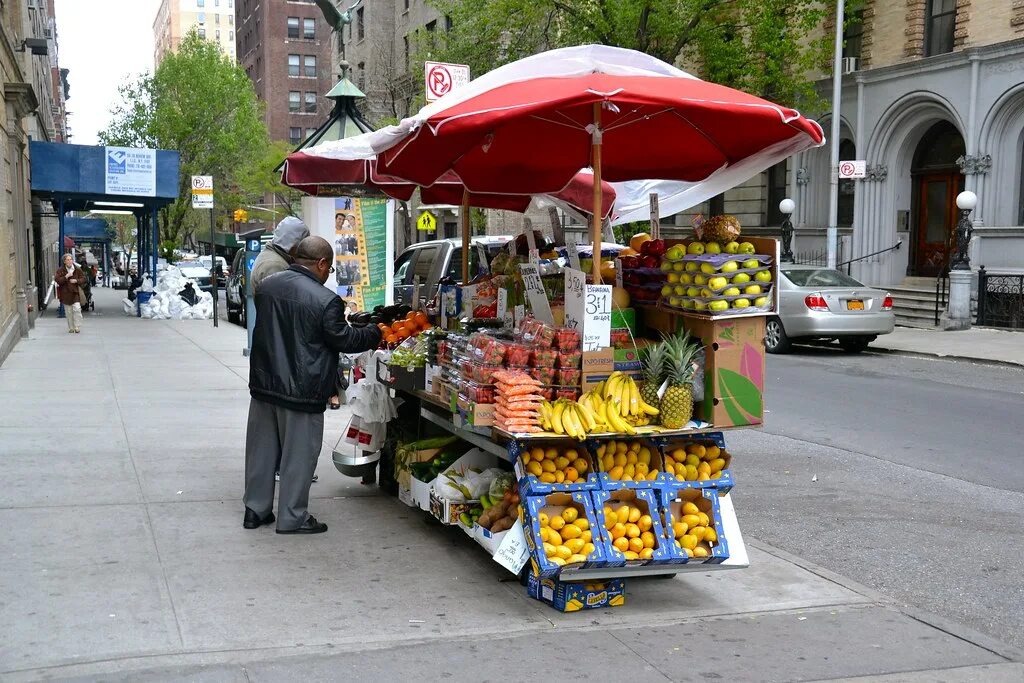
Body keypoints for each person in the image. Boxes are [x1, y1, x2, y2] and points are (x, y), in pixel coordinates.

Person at [243, 236, 382, 534]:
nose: (327, 275)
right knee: (298, 456)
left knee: (261, 451)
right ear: (321, 264)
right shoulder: (325, 299)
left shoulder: (268, 286)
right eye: (329, 269)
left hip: (265, 384)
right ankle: (292, 517)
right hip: (301, 389)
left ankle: (255, 511)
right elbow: (343, 339)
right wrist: (373, 333)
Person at [250, 216, 309, 292]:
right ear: (293, 245)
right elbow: (281, 301)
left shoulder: (272, 257)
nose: (302, 250)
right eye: (302, 245)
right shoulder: (274, 266)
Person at [54, 253, 86, 333]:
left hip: (75, 293)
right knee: (69, 312)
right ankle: (71, 327)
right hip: (65, 294)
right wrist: (66, 277)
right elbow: (57, 280)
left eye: (71, 259)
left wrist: (76, 281)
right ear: (64, 261)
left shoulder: (77, 269)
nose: (69, 261)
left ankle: (77, 326)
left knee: (77, 309)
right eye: (67, 260)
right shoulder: (60, 270)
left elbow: (83, 279)